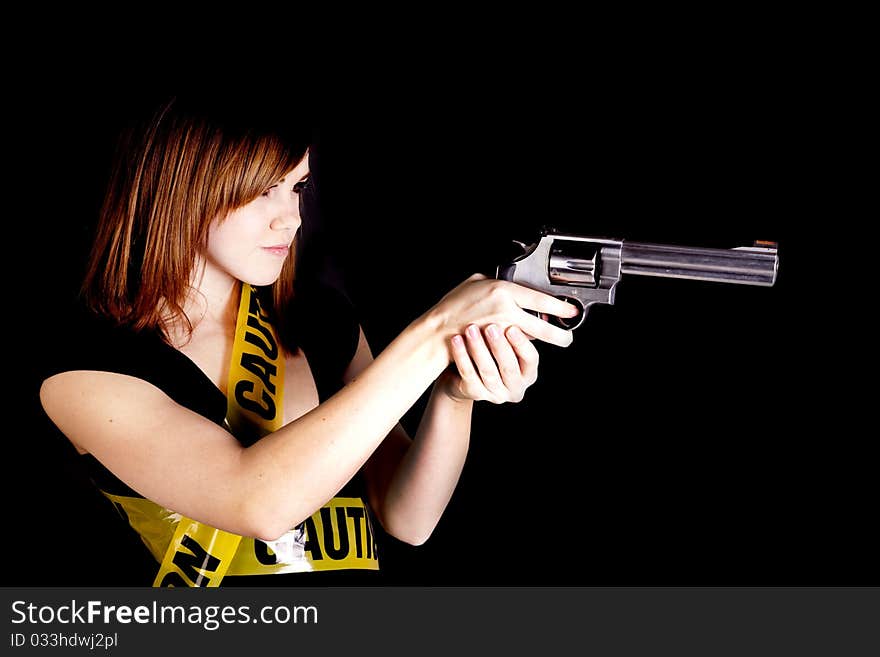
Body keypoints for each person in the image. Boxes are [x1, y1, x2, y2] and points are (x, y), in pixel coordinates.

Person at [38, 95, 579, 586]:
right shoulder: (86, 366)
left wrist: (451, 395)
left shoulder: (320, 320)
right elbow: (256, 502)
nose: (291, 218)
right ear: (181, 190)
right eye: (259, 191)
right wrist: (434, 332)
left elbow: (407, 518)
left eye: (296, 187)